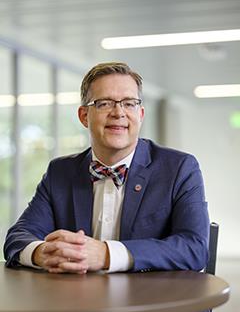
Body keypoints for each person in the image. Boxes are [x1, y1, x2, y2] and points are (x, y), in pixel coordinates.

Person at [4, 62, 210, 275]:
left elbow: (194, 249)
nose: (118, 112)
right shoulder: (60, 172)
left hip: (154, 302)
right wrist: (42, 252)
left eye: (129, 103)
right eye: (104, 103)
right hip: (80, 302)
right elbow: (18, 236)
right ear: (84, 116)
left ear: (140, 114)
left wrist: (106, 254)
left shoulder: (179, 168)